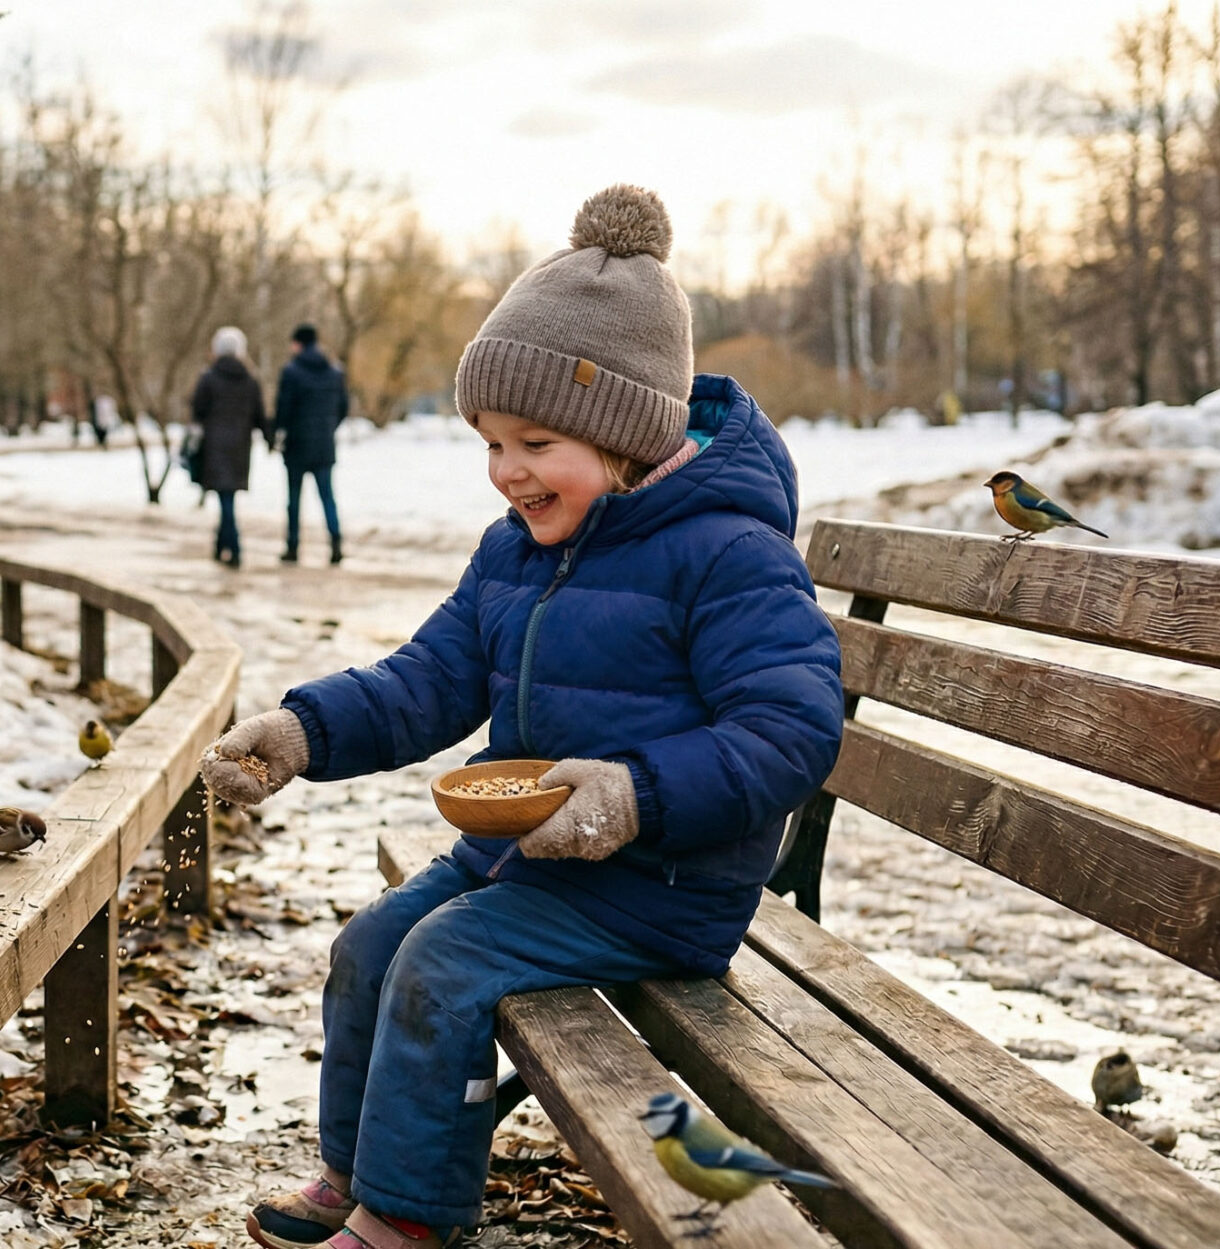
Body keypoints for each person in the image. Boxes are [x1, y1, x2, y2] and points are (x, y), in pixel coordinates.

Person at [198, 186, 844, 1249]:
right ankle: (356, 1172)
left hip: (658, 886)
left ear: (624, 433)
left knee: (442, 962)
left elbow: (791, 730)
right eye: (491, 443)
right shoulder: (517, 549)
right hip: (524, 857)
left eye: (535, 441)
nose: (507, 473)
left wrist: (632, 795)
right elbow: (430, 678)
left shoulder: (729, 554)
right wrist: (306, 732)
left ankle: (405, 1218)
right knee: (371, 944)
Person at [191, 326, 269, 567]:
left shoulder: (209, 378)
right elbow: (260, 415)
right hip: (239, 447)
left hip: (215, 445)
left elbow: (198, 409)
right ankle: (221, 545)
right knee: (228, 497)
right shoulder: (250, 380)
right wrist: (269, 438)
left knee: (225, 499)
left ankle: (233, 548)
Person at [274, 323, 349, 565]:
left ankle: (293, 546)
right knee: (327, 497)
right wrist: (328, 428)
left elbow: (283, 409)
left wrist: (278, 433)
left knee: (294, 500)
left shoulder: (291, 372)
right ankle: (335, 543)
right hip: (324, 446)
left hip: (297, 445)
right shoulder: (334, 371)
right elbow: (343, 408)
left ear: (298, 343)